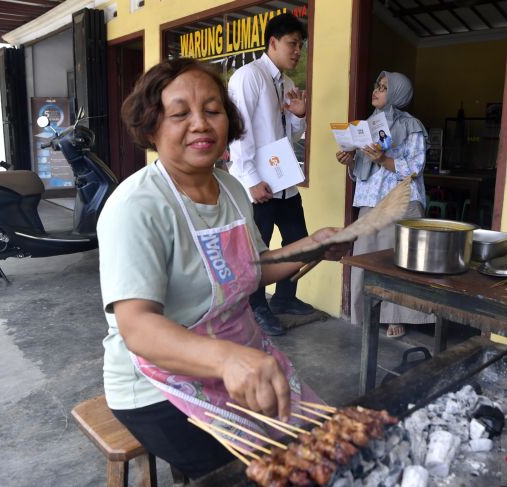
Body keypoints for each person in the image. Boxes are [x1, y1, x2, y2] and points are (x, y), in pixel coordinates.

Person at [98, 58, 348, 482]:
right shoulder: (137, 206)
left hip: (244, 356)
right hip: (158, 384)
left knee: (329, 448)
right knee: (269, 472)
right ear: (151, 126)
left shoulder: (231, 187)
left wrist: (312, 246)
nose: (200, 124)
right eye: (180, 114)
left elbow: (249, 270)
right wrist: (228, 359)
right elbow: (137, 327)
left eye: (212, 110)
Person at [228, 12, 311, 337]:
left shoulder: (288, 84)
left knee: (299, 242)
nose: (297, 52)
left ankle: (285, 299)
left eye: (300, 46)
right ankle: (256, 307)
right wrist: (250, 180)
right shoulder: (249, 77)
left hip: (283, 180)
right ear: (272, 42)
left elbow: (288, 135)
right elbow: (239, 131)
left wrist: (300, 116)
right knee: (256, 250)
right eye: (292, 44)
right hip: (256, 183)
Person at [336, 71, 435, 338]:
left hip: (400, 199)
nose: (376, 91)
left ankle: (396, 317)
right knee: (365, 258)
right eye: (376, 85)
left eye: (383, 87)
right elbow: (361, 173)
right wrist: (350, 160)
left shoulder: (411, 125)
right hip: (370, 200)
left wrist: (382, 158)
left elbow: (414, 167)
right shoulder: (366, 126)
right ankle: (365, 312)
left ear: (397, 94)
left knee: (395, 259)